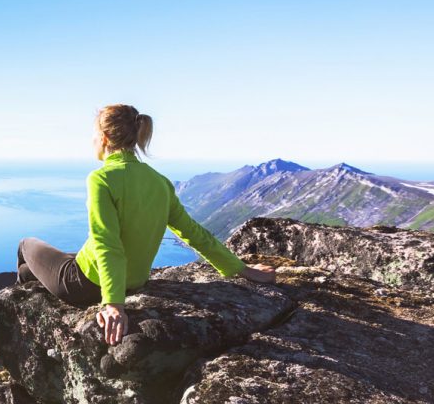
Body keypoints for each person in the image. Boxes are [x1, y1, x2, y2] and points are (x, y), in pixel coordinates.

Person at [17, 104, 275, 346]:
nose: (92, 140)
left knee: (26, 245)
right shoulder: (159, 181)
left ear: (105, 138)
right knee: (33, 270)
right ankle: (30, 280)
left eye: (94, 134)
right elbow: (193, 232)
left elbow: (107, 243)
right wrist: (241, 269)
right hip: (135, 281)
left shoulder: (101, 179)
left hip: (84, 284)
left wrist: (114, 305)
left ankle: (18, 324)